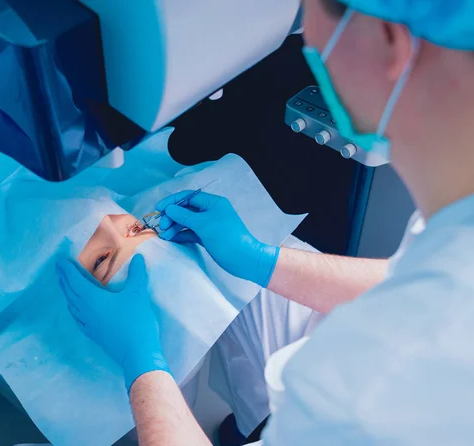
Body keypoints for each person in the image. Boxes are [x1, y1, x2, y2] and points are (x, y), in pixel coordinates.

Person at [57, 0, 474, 444]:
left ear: (388, 38)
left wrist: (142, 363)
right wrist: (262, 260)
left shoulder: (358, 411)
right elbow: (410, 278)